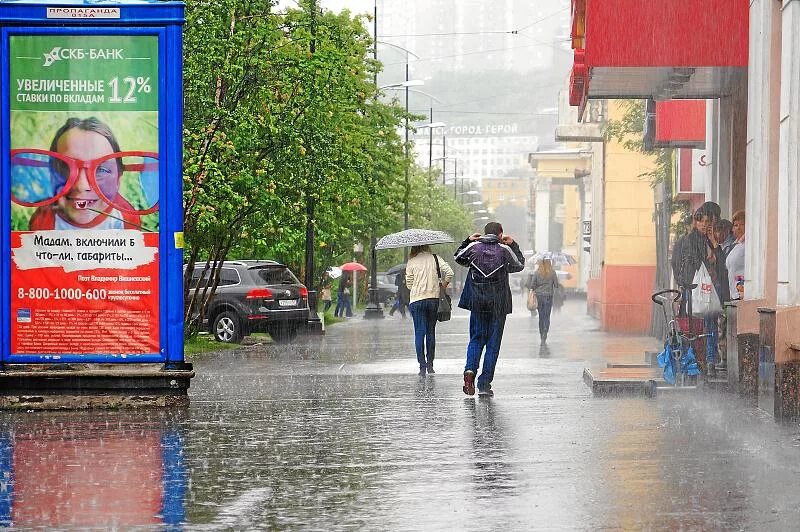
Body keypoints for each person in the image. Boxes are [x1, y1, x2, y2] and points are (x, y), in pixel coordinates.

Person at [16, 117, 150, 230]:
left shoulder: (126, 219)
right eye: (66, 168)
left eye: (101, 170)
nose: (81, 185)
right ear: (51, 175)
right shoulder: (44, 220)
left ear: (118, 180)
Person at [455, 222, 525, 396]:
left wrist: (467, 241)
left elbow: (458, 257)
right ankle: (484, 384)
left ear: (485, 233)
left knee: (476, 338)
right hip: (498, 304)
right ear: (500, 235)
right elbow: (519, 265)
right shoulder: (504, 250)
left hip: (477, 302)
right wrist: (513, 244)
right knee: (493, 344)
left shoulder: (473, 247)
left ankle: (470, 370)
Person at [405, 246, 454, 375]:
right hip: (433, 299)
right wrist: (443, 285)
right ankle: (430, 365)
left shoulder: (412, 261)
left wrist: (417, 286)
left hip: (416, 300)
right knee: (430, 332)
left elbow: (409, 284)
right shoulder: (436, 258)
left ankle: (422, 367)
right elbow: (450, 273)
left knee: (419, 333)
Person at [526, 256, 562, 343]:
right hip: (549, 296)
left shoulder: (537, 272)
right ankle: (545, 330)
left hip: (539, 296)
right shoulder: (552, 272)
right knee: (547, 315)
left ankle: (542, 333)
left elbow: (532, 285)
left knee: (541, 316)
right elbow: (556, 285)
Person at [726, 210, 746, 300]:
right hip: (734, 292)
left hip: (743, 293)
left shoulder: (749, 243)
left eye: (742, 224)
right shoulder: (735, 245)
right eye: (736, 225)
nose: (738, 228)